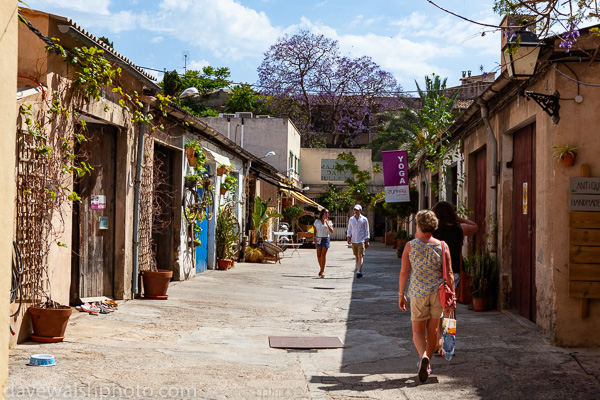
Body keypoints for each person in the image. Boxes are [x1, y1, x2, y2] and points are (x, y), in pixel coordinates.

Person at [398, 210, 455, 383]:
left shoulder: (410, 245)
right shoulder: (442, 246)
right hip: (437, 293)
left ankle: (423, 357)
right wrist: (452, 297)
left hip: (417, 293)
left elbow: (404, 273)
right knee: (433, 331)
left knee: (417, 331)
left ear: (418, 226)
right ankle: (427, 361)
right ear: (434, 226)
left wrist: (401, 294)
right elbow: (450, 274)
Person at [432, 201, 478, 292]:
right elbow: (475, 226)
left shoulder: (432, 230)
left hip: (436, 269)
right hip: (454, 268)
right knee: (451, 298)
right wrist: (458, 218)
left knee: (437, 300)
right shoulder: (460, 228)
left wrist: (430, 215)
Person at [346, 204, 370, 278]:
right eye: (354, 210)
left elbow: (367, 230)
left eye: (357, 210)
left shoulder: (364, 219)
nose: (355, 211)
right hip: (354, 240)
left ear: (360, 210)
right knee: (356, 256)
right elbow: (349, 229)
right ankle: (359, 269)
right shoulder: (351, 219)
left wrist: (367, 240)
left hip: (361, 240)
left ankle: (359, 270)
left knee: (360, 255)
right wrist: (348, 237)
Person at [313, 208, 334, 278]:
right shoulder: (317, 221)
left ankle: (322, 270)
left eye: (328, 212)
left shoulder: (329, 222)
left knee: (323, 255)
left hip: (325, 238)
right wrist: (314, 238)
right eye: (325, 212)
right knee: (318, 256)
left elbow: (332, 231)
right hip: (318, 238)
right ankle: (321, 269)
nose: (327, 214)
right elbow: (315, 231)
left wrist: (327, 224)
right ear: (322, 213)